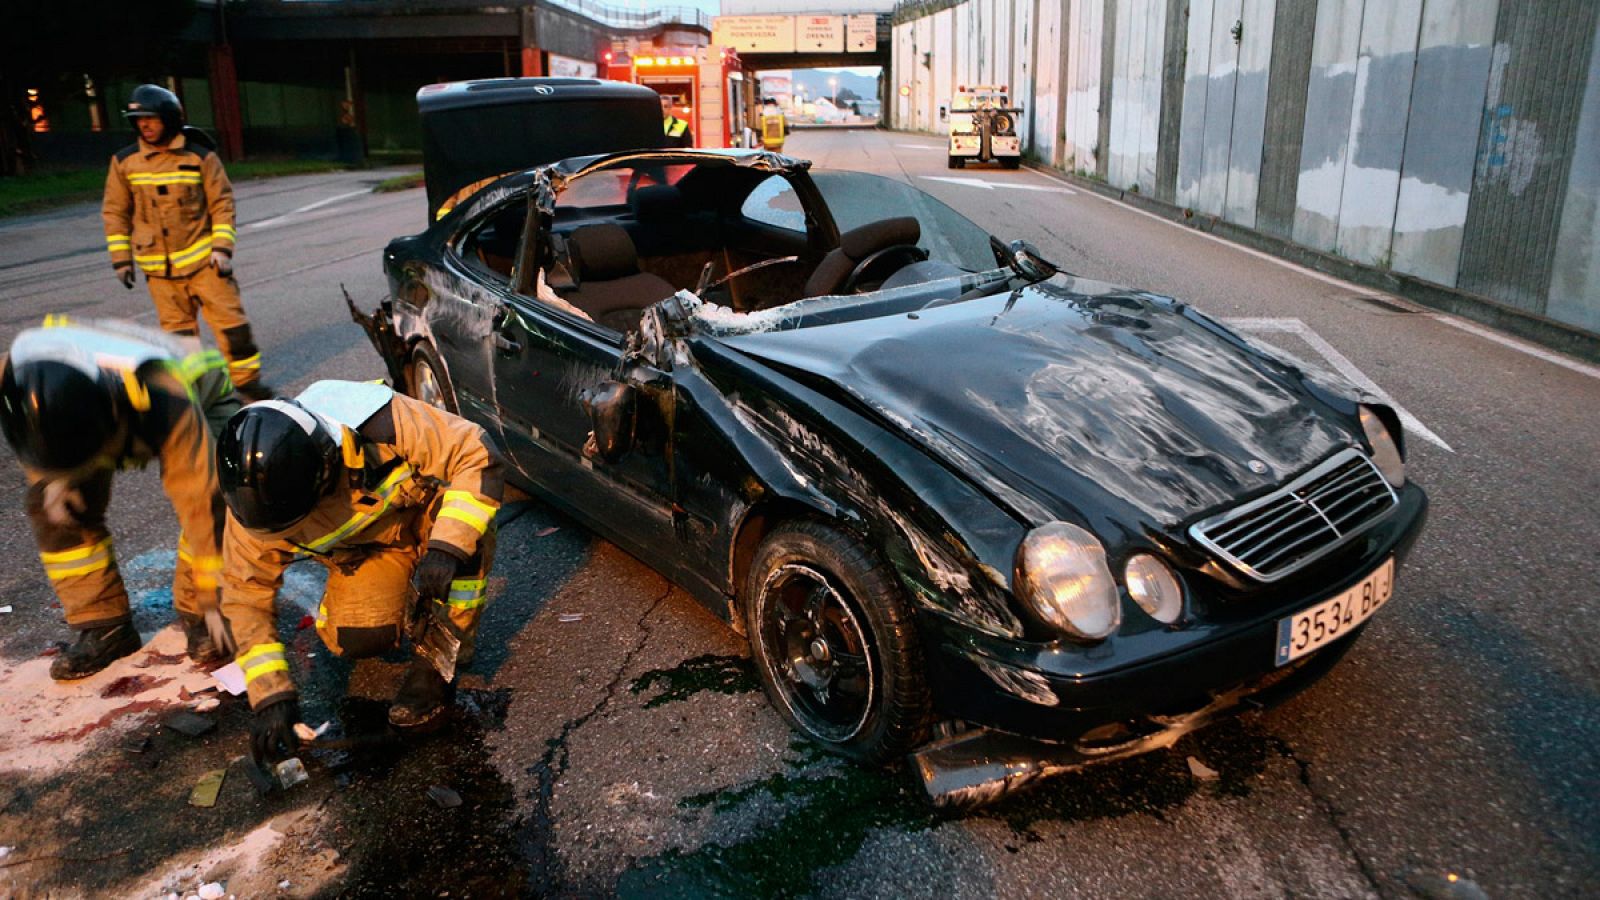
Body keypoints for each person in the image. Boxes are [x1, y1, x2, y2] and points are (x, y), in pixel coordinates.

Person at [216, 380, 503, 765]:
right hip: (372, 551)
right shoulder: (254, 508)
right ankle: (407, 601)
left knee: (468, 544)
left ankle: (437, 665)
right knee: (356, 637)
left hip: (431, 522)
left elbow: (477, 453)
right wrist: (271, 698)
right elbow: (244, 596)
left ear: (325, 465)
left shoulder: (377, 420)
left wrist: (447, 547)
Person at [0, 317, 239, 680]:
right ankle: (105, 627)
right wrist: (55, 479)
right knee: (51, 507)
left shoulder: (164, 399)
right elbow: (34, 434)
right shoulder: (18, 379)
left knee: (221, 499)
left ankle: (200, 614)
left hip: (201, 397)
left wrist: (211, 601)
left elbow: (202, 505)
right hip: (86, 413)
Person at [103, 84, 273, 401]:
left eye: (151, 119)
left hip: (205, 264)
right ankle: (196, 391)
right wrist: (122, 260)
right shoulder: (125, 162)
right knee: (179, 339)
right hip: (160, 270)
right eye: (139, 120)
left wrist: (222, 250)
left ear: (170, 118)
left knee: (233, 328)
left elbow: (222, 205)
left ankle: (247, 385)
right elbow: (115, 212)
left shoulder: (200, 157)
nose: (145, 126)